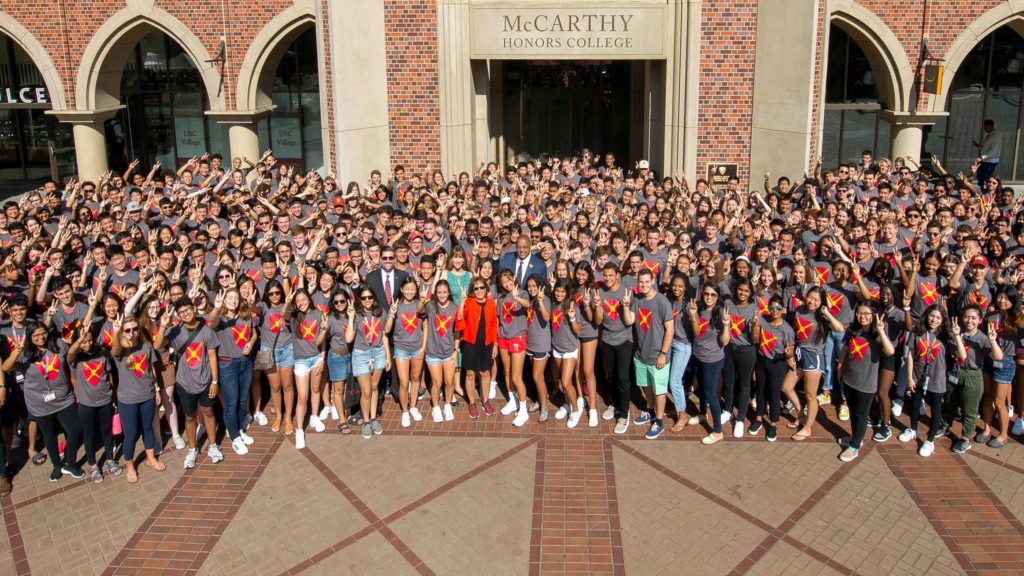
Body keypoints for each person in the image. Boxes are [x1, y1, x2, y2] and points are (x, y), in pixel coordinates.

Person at [1, 322, 84, 482]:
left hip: (64, 398)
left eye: (43, 333)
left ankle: (70, 463)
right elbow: (6, 367)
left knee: (75, 429)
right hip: (39, 403)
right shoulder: (24, 354)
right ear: (30, 337)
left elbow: (71, 357)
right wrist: (17, 351)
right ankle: (56, 466)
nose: (41, 337)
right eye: (36, 335)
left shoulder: (58, 345)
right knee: (49, 435)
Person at [154, 298, 222, 469]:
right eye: (181, 312)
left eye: (188, 310)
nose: (186, 314)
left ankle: (213, 446)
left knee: (208, 411)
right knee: (190, 417)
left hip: (205, 380)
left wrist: (214, 381)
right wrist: (163, 326)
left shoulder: (206, 330)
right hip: (184, 382)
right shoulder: (175, 331)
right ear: (178, 315)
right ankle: (193, 449)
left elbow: (212, 356)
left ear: (193, 308)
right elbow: (157, 345)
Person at [835, 302, 896, 462]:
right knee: (853, 413)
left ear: (873, 315)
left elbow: (890, 351)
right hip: (849, 379)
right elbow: (845, 350)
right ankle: (856, 438)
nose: (863, 317)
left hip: (866, 383)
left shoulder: (877, 335)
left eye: (867, 313)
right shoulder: (853, 330)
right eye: (860, 313)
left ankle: (854, 447)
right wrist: (840, 367)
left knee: (861, 415)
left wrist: (881, 330)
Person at [110, 313, 165, 482]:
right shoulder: (120, 351)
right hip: (128, 399)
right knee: (131, 435)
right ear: (122, 332)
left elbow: (151, 369)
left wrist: (156, 389)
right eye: (127, 330)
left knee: (148, 428)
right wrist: (116, 332)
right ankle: (130, 467)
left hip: (147, 395)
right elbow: (115, 349)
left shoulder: (146, 346)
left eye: (135, 329)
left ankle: (150, 459)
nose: (132, 333)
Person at [946, 305, 1003, 453]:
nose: (969, 321)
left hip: (972, 374)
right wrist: (958, 336)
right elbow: (958, 355)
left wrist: (992, 341)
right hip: (955, 372)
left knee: (969, 409)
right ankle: (945, 425)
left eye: (973, 318)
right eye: (966, 317)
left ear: (979, 320)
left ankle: (965, 438)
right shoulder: (956, 333)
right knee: (949, 401)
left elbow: (998, 356)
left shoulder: (982, 338)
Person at [67, 329, 122, 483]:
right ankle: (92, 465)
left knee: (106, 431)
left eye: (90, 340)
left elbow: (109, 375)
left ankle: (110, 460)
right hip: (86, 403)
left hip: (105, 400)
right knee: (89, 434)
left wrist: (113, 396)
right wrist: (79, 341)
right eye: (83, 341)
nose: (87, 344)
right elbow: (69, 354)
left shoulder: (102, 354)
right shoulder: (75, 358)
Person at [627, 269, 674, 440]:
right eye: (641, 282)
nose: (644, 285)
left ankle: (659, 421)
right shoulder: (637, 299)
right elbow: (629, 320)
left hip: (658, 355)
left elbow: (670, 329)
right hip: (641, 354)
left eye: (647, 281)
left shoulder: (662, 302)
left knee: (660, 389)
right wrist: (625, 306)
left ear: (653, 280)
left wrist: (663, 353)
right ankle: (650, 411)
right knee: (645, 385)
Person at [209, 288, 257, 454]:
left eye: (236, 298)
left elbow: (254, 333)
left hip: (245, 362)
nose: (233, 301)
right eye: (229, 298)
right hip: (228, 364)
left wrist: (250, 343)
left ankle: (238, 430)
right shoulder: (220, 319)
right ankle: (235, 437)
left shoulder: (246, 316)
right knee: (232, 402)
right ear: (224, 300)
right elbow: (211, 322)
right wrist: (216, 308)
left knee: (243, 400)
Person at [900, 305, 951, 457]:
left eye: (938, 317)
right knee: (915, 404)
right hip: (918, 375)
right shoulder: (918, 331)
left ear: (942, 320)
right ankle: (913, 430)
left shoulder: (946, 336)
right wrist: (909, 377)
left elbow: (960, 354)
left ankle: (929, 440)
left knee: (936, 409)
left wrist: (956, 334)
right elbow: (910, 354)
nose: (934, 320)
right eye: (931, 316)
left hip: (937, 377)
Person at [686, 282, 730, 444]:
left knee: (711, 393)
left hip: (713, 359)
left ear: (718, 297)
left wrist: (726, 326)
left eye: (713, 295)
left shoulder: (721, 314)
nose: (709, 297)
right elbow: (697, 332)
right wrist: (693, 316)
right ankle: (703, 413)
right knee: (701, 388)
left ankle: (718, 430)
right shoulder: (699, 309)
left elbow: (725, 341)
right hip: (698, 355)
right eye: (706, 294)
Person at [751, 295, 796, 443]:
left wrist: (789, 356)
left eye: (778, 308)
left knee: (774, 394)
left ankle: (773, 423)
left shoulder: (787, 329)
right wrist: (756, 325)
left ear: (782, 310)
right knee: (760, 390)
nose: (774, 311)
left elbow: (790, 351)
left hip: (778, 363)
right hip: (762, 360)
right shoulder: (763, 320)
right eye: (771, 308)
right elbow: (756, 339)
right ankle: (758, 418)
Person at [384, 277, 427, 428]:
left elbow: (425, 324)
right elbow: (387, 330)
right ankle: (405, 411)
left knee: (415, 378)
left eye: (412, 289)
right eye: (407, 289)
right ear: (402, 290)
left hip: (417, 348)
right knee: (403, 382)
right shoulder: (396, 306)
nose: (410, 291)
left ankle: (413, 406)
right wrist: (391, 313)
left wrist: (423, 346)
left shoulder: (418, 304)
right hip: (401, 349)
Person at [349, 286, 390, 438]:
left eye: (370, 297)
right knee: (366, 391)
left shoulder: (380, 313)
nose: (367, 301)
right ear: (359, 299)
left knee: (374, 388)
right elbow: (348, 339)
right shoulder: (357, 315)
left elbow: (384, 335)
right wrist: (351, 317)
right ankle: (365, 421)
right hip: (361, 354)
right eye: (364, 298)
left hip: (378, 352)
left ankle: (373, 418)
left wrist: (387, 356)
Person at [458, 277, 498, 419]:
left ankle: (485, 400)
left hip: (486, 342)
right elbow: (459, 320)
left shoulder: (492, 303)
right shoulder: (468, 302)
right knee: (470, 374)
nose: (479, 290)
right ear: (472, 291)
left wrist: (495, 344)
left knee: (485, 372)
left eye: (482, 287)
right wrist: (462, 301)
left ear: (486, 289)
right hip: (470, 342)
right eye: (476, 288)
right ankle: (472, 403)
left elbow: (494, 324)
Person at [549, 279, 583, 428]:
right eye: (557, 291)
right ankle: (567, 404)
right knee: (563, 383)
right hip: (557, 347)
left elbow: (578, 331)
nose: (559, 294)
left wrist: (572, 317)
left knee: (566, 382)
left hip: (569, 348)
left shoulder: (572, 306)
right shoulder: (552, 304)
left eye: (563, 291)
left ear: (568, 292)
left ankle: (576, 410)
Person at [425, 280, 458, 422]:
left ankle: (448, 405)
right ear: (435, 293)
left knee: (449, 381)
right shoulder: (430, 306)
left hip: (449, 351)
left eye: (445, 292)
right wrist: (421, 299)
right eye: (439, 292)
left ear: (449, 293)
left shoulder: (454, 308)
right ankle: (436, 407)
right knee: (437, 382)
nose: (442, 295)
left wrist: (456, 350)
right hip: (433, 352)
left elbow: (457, 331)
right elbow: (419, 309)